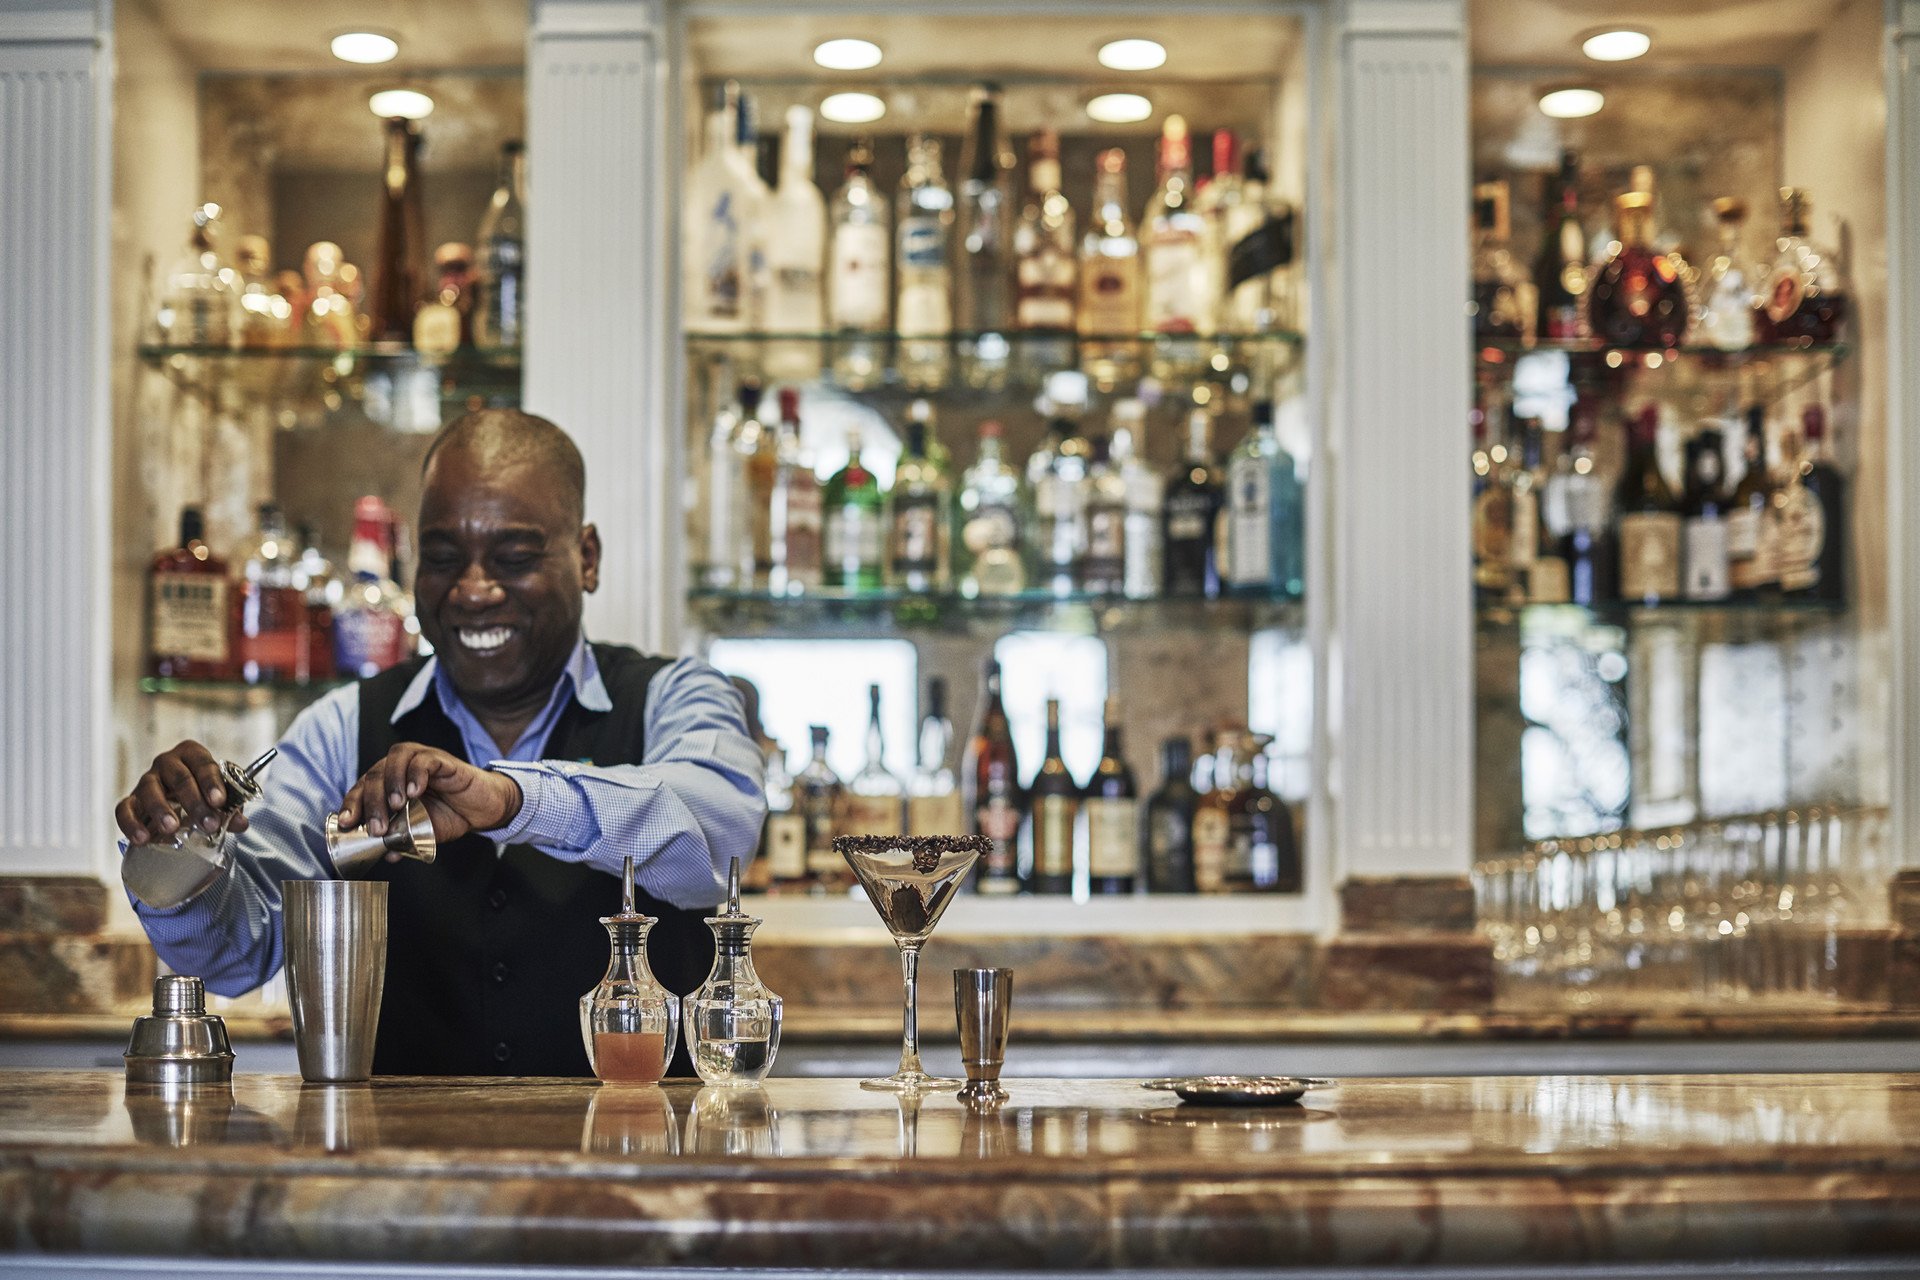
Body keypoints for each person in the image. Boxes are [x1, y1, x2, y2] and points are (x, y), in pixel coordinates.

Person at [114, 410, 766, 1076]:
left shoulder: (674, 697)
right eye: (444, 557)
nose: (474, 591)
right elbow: (237, 952)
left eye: (514, 558)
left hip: (643, 1158)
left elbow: (724, 838)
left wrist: (514, 801)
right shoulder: (344, 725)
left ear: (587, 558)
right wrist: (176, 851)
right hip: (406, 1166)